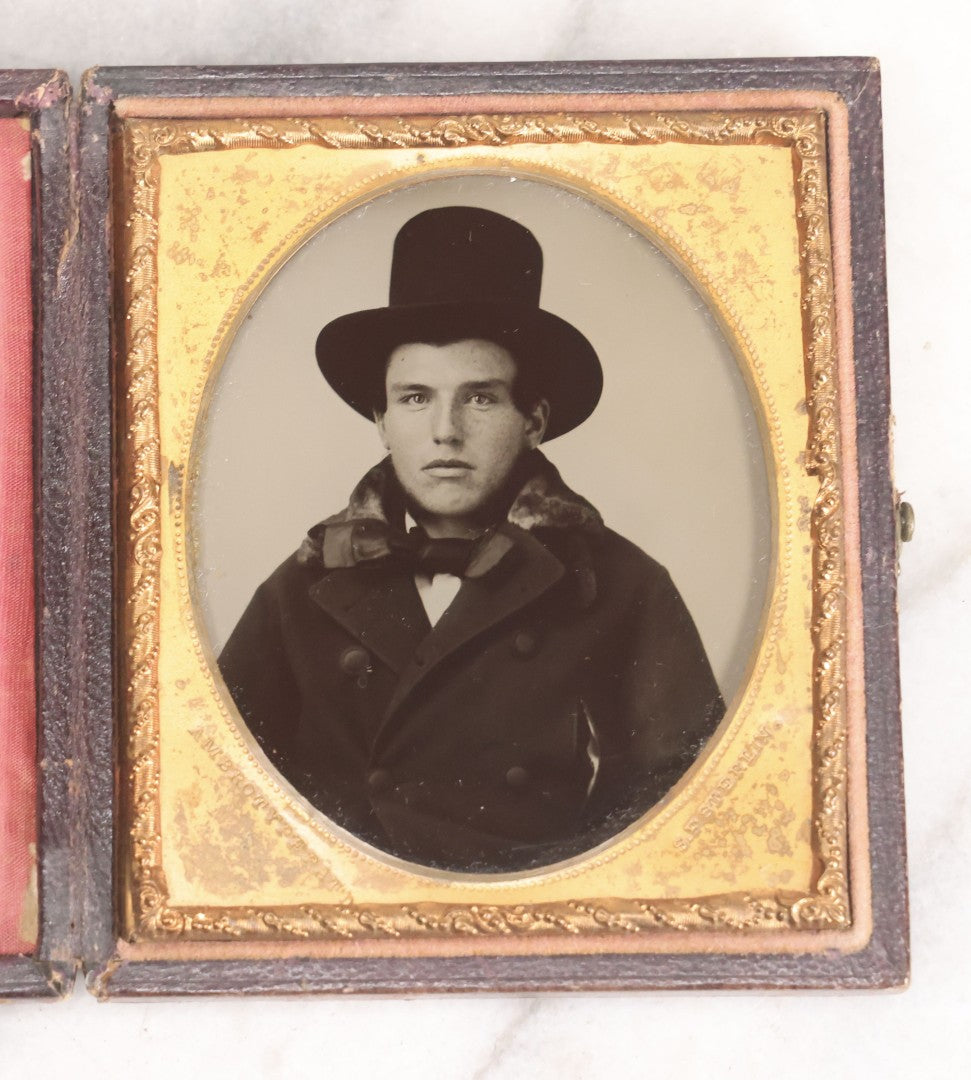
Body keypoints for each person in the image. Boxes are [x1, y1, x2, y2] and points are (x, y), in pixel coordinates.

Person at [218, 206, 724, 873]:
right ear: (382, 419)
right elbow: (219, 778)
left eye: (480, 398)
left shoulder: (617, 585)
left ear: (533, 420)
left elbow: (681, 796)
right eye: (415, 398)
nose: (445, 432)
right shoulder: (309, 584)